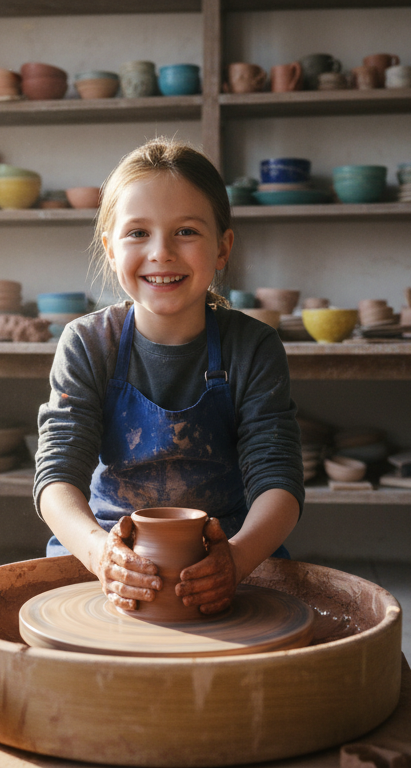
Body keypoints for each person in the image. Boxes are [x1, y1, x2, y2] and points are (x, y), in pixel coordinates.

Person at [33, 137, 304, 618]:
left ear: (222, 248)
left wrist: (238, 560)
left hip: (226, 555)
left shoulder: (252, 347)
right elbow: (56, 477)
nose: (161, 252)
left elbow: (278, 481)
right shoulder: (88, 343)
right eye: (138, 232)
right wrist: (99, 555)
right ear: (110, 249)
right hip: (107, 552)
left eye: (186, 231)